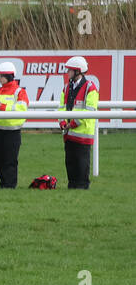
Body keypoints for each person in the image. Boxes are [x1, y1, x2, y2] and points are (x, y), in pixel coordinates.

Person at [58, 55, 99, 190]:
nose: (67, 72)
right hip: (69, 133)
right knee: (70, 163)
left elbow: (89, 110)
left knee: (82, 165)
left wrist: (73, 123)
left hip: (83, 134)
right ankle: (72, 188)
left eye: (70, 70)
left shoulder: (90, 88)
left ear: (78, 71)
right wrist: (62, 122)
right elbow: (61, 107)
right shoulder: (66, 87)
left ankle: (82, 188)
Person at [0, 61, 29, 189]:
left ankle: (9, 186)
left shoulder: (19, 92)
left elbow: (22, 107)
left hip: (12, 132)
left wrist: (2, 107)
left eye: (1, 76)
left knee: (10, 160)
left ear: (9, 75)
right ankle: (5, 183)